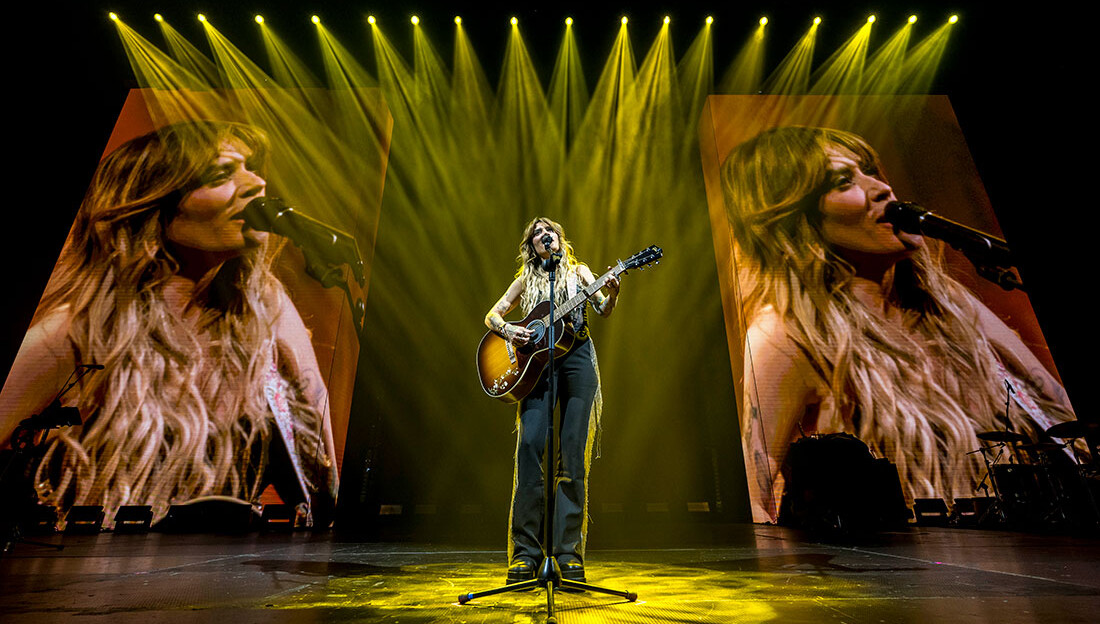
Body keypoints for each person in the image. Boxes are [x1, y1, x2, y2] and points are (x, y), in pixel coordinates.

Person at [720, 126, 1075, 523]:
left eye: (871, 170)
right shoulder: (786, 334)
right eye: (843, 181)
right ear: (794, 220)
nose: (881, 188)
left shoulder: (946, 303)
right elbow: (755, 485)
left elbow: (1056, 407)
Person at [0, 121, 338, 528]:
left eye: (250, 167)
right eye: (220, 174)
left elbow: (321, 471)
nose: (256, 184)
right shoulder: (81, 330)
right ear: (152, 206)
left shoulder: (266, 311)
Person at [484, 217, 620, 583]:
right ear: (532, 246)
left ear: (561, 239)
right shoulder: (525, 281)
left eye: (552, 231)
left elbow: (604, 308)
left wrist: (615, 291)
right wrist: (511, 330)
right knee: (530, 448)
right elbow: (492, 315)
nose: (547, 235)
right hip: (536, 365)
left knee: (572, 453)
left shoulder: (580, 273)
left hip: (576, 358)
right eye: (538, 233)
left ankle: (568, 553)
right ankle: (525, 554)